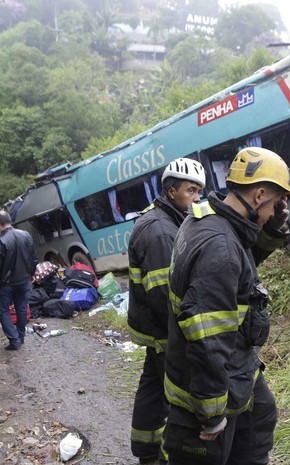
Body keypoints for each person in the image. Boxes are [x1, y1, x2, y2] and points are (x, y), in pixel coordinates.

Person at [162, 147, 290, 465]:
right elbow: (208, 341)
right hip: (212, 384)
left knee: (261, 417)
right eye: (276, 203)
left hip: (237, 368)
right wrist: (212, 415)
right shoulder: (219, 247)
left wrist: (273, 228)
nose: (275, 210)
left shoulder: (212, 218)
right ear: (260, 194)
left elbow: (242, 266)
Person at [127, 158, 207, 465]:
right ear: (172, 191)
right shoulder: (160, 230)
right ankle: (171, 456)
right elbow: (165, 295)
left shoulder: (165, 217)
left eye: (199, 190)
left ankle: (145, 449)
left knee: (152, 389)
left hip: (152, 327)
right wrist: (186, 334)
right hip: (163, 330)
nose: (197, 197)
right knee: (180, 397)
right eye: (191, 190)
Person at [0, 211, 38, 350]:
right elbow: (34, 258)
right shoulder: (26, 235)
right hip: (23, 280)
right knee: (21, 308)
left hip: (6, 284)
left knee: (3, 311)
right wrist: (31, 274)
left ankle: (14, 339)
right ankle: (20, 337)